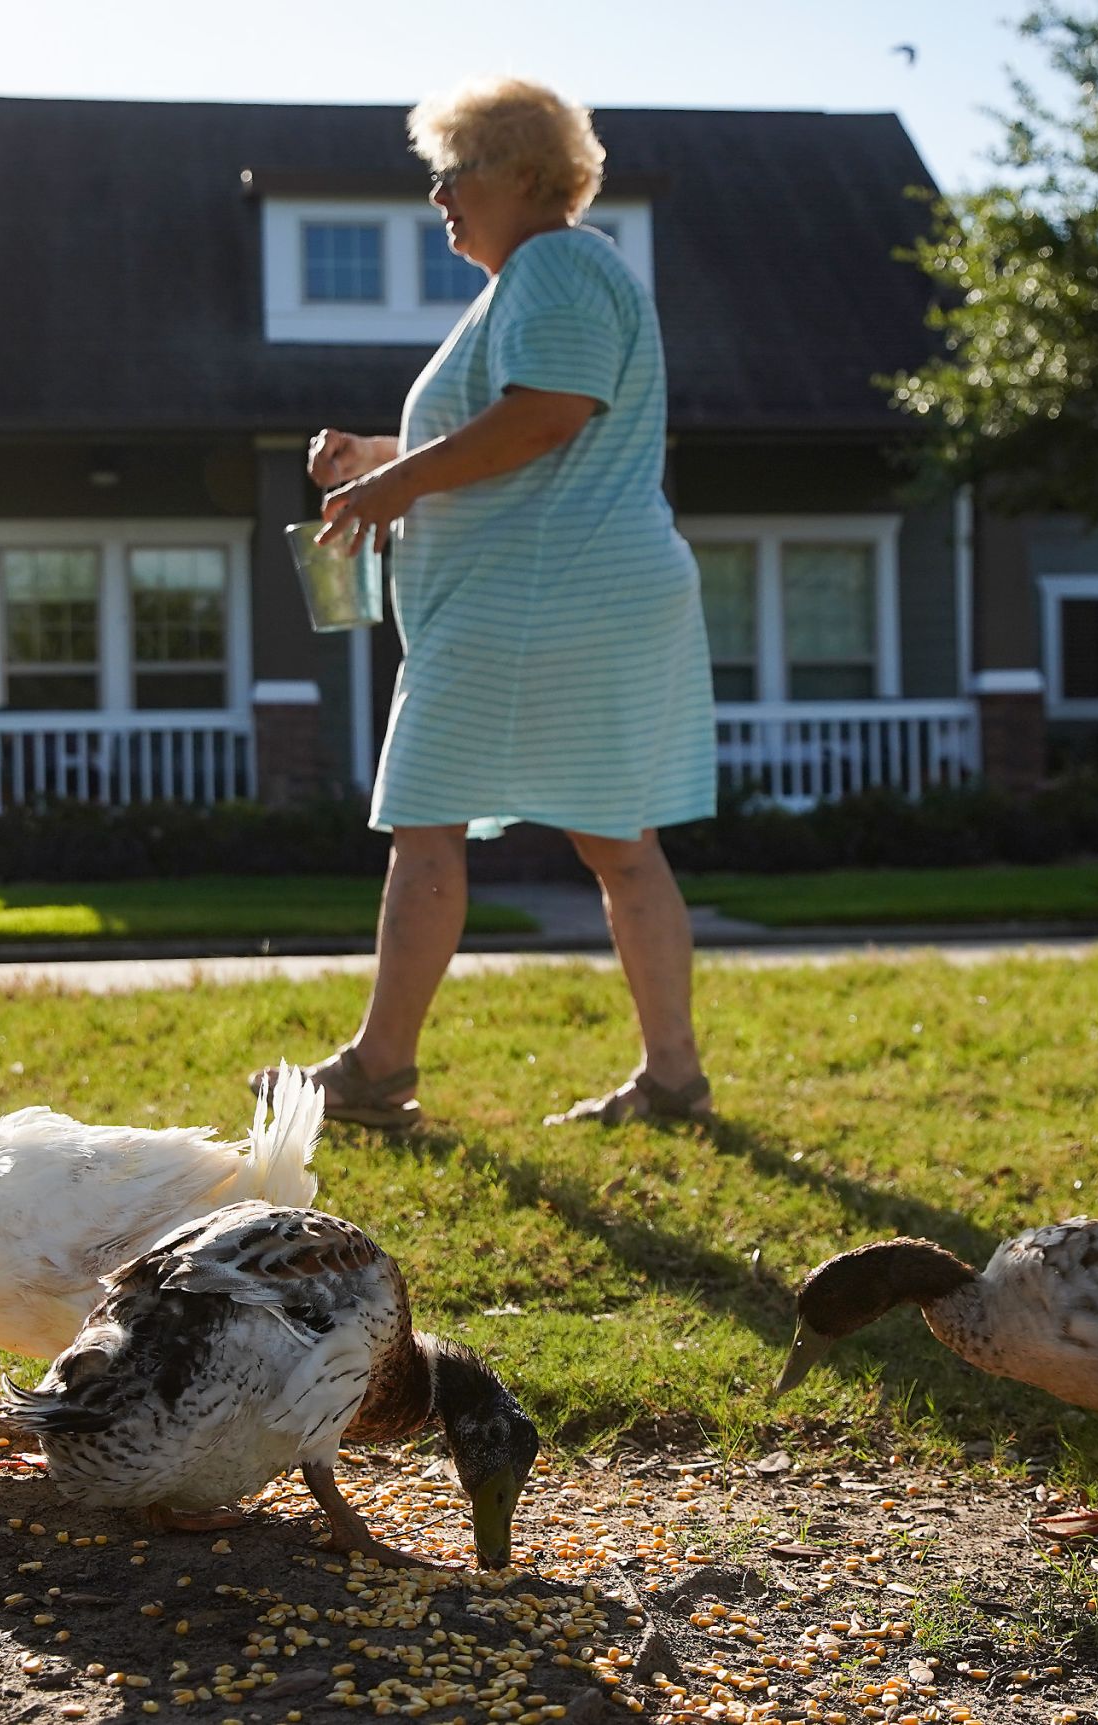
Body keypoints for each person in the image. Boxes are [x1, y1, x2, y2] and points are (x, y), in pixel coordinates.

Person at [266, 76, 716, 1129]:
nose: (438, 199)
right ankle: (674, 1080)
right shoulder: (545, 279)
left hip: (539, 596)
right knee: (618, 842)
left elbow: (548, 418)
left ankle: (376, 1074)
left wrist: (397, 483)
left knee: (424, 817)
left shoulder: (554, 265)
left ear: (524, 174)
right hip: (581, 589)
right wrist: (377, 455)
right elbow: (522, 431)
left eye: (453, 173)